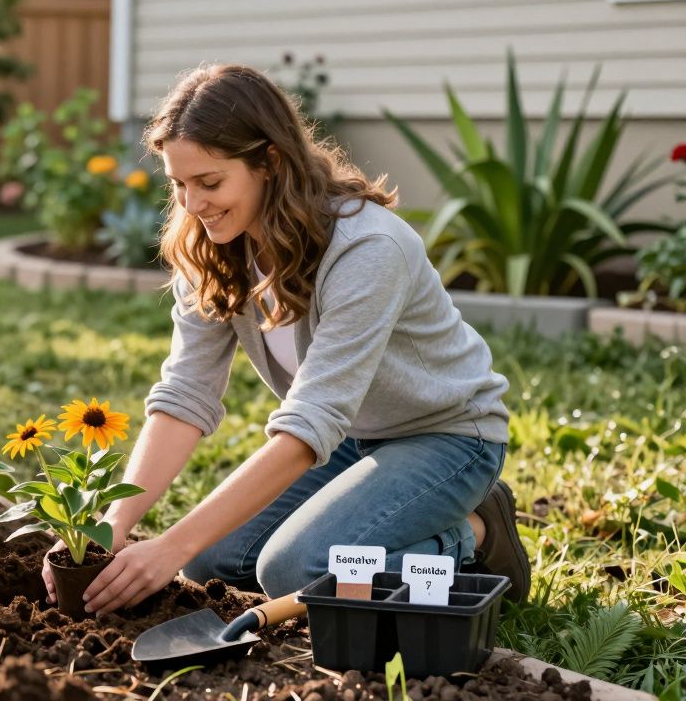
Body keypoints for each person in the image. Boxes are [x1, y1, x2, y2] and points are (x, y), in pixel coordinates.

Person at [41, 64, 530, 615]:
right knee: (210, 563)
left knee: (295, 570)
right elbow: (185, 394)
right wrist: (111, 526)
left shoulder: (366, 248)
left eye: (210, 182)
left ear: (270, 162)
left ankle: (477, 532)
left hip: (447, 438)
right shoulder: (213, 248)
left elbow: (307, 425)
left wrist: (170, 544)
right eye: (179, 184)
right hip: (351, 438)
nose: (193, 205)